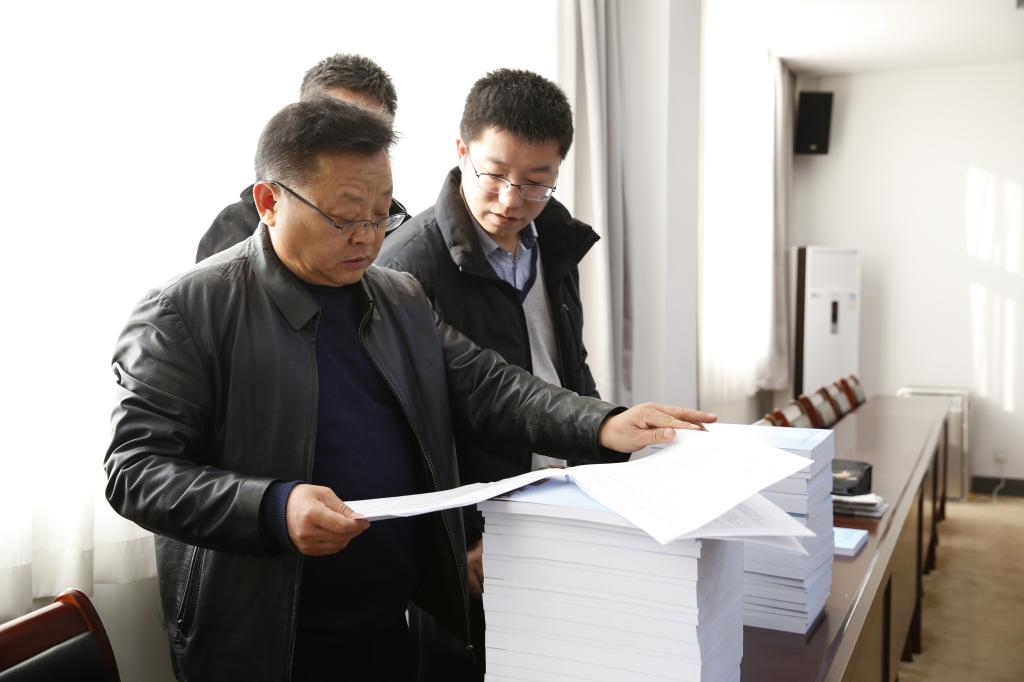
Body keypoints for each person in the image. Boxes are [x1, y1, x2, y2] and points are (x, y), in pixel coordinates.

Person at [104, 97, 715, 682]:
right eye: (345, 217)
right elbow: (136, 471)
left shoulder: (396, 297)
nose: (369, 238)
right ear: (268, 201)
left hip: (391, 621)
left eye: (382, 213)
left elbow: (489, 386)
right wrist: (273, 507)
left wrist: (602, 423)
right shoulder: (186, 312)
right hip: (264, 636)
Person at [376, 68, 601, 678]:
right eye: (494, 174)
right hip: (474, 531)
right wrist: (464, 535)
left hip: (560, 504)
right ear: (461, 151)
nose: (510, 200)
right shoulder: (406, 265)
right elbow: (410, 431)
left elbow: (570, 371)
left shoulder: (556, 242)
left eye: (536, 182)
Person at [195, 53, 406, 262]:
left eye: (368, 131)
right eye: (331, 124)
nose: (366, 237)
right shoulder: (234, 226)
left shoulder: (405, 236)